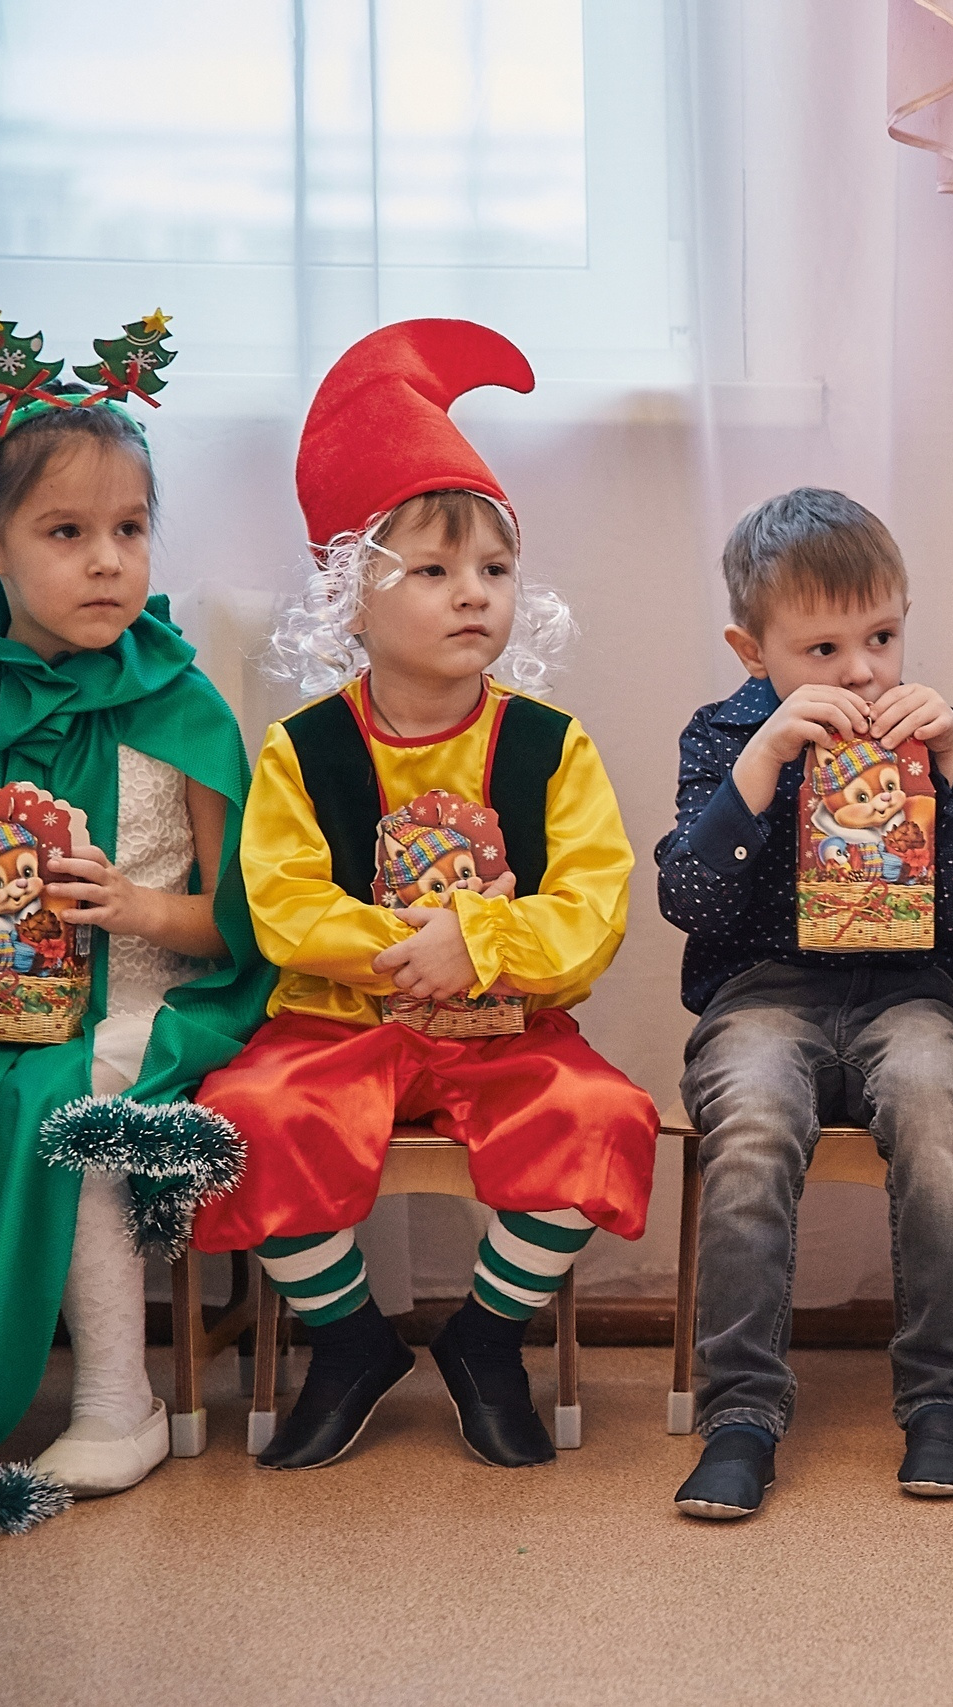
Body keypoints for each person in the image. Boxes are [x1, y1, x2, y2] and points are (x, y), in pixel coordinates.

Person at [189, 320, 658, 1473]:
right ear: (351, 593)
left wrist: (484, 940)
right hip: (336, 1025)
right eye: (435, 571)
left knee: (603, 1120)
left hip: (507, 1028)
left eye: (493, 572)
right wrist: (412, 945)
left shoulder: (549, 747)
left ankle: (484, 1338)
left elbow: (595, 906)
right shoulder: (308, 749)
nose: (472, 597)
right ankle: (348, 1340)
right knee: (248, 1121)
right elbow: (281, 901)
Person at [0, 308, 273, 1536]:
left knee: (64, 1103)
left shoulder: (179, 706)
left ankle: (116, 1397)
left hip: (158, 999)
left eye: (129, 532)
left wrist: (136, 907)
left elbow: (240, 930)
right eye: (67, 533)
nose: (106, 563)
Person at [657, 487, 953, 1518]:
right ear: (749, 650)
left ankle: (943, 1402)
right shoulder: (723, 737)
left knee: (941, 1114)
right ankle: (741, 1415)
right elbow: (689, 898)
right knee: (753, 1126)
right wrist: (763, 762)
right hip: (763, 996)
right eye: (821, 650)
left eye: (883, 637)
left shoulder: (932, 737)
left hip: (908, 994)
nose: (861, 671)